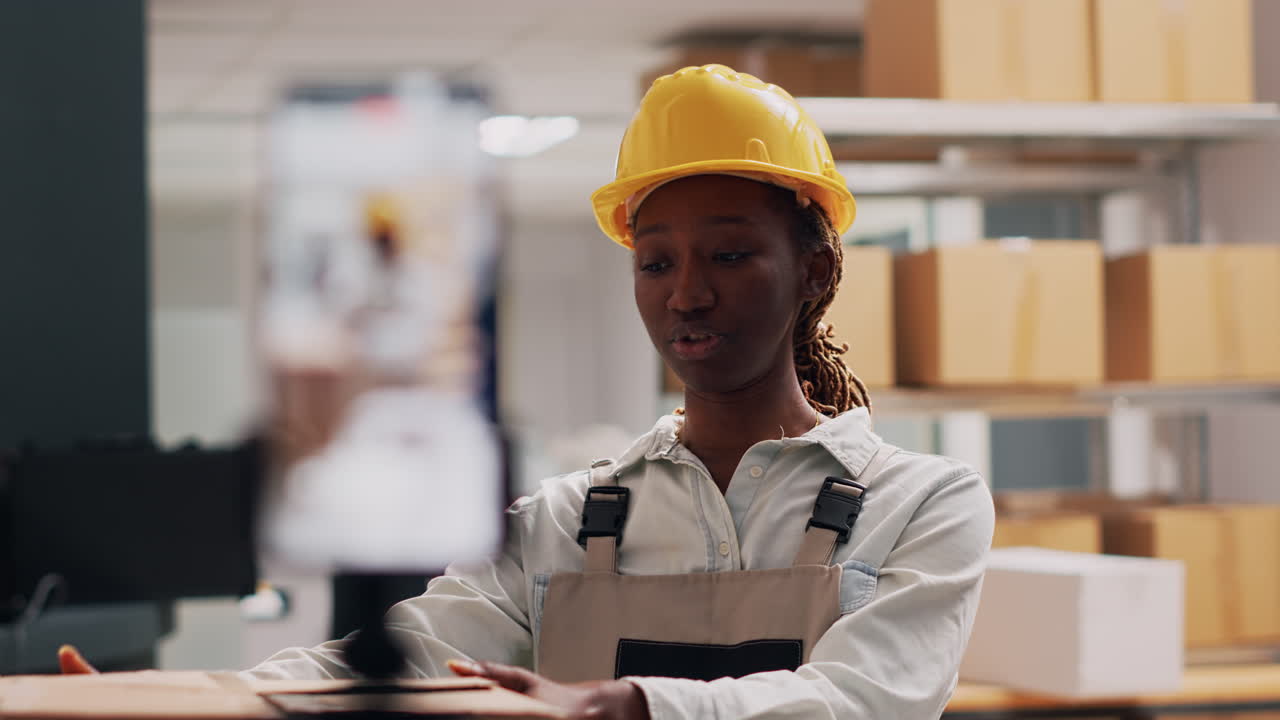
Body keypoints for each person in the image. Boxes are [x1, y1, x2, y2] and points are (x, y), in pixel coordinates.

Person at [62, 65, 994, 720]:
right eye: (656, 261)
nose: (686, 292)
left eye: (731, 253)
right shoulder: (564, 520)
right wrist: (169, 700)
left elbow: (861, 700)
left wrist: (619, 703)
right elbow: (409, 652)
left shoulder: (921, 504)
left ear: (815, 270)